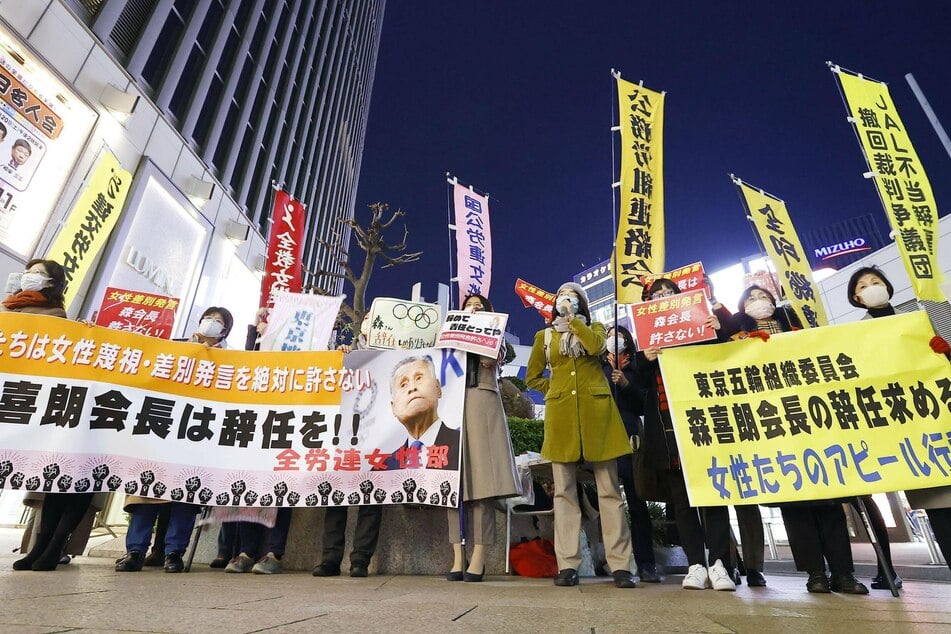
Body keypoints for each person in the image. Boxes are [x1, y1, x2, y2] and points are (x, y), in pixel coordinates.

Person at [733, 286, 868, 594]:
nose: (758, 302)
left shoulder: (799, 329)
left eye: (762, 296)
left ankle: (843, 573)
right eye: (750, 298)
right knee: (795, 505)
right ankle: (815, 572)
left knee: (830, 501)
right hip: (775, 426)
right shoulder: (737, 339)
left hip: (814, 421)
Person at [526, 282, 637, 588]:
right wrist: (555, 392)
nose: (568, 300)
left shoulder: (596, 327)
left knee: (610, 491)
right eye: (563, 296)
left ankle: (620, 566)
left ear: (582, 305)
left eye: (574, 298)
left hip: (598, 414)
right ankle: (568, 564)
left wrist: (573, 320)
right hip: (561, 418)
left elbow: (595, 347)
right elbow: (533, 376)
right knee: (563, 493)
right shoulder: (544, 336)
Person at [633, 278, 736, 591]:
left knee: (714, 493)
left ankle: (720, 565)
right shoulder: (647, 343)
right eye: (656, 295)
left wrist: (719, 326)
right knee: (682, 500)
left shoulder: (702, 328)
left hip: (703, 420)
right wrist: (644, 359)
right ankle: (695, 564)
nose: (663, 297)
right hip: (667, 427)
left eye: (669, 293)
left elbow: (727, 356)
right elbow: (637, 386)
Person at [848, 266, 951, 577]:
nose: (871, 288)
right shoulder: (856, 335)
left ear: (888, 286)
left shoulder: (924, 312)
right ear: (856, 297)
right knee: (940, 508)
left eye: (876, 282)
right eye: (863, 286)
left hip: (944, 410)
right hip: (915, 429)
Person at [116, 307, 233, 573]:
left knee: (185, 496)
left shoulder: (230, 358)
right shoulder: (175, 347)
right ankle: (135, 550)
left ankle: (174, 553)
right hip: (162, 429)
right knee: (146, 491)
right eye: (209, 318)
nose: (212, 324)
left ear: (225, 330)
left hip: (197, 433)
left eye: (219, 322)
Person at [5, 260, 103, 571]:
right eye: (29, 270)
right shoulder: (8, 308)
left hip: (47, 404)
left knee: (64, 477)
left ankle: (52, 546)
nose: (29, 277)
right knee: (53, 479)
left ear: (51, 282)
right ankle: (40, 548)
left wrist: (85, 335)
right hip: (16, 400)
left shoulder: (56, 316)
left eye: (37, 273)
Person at [445, 294, 520, 583]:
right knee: (451, 482)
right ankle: (455, 555)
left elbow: (490, 360)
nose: (473, 309)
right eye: (468, 306)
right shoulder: (449, 333)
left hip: (481, 401)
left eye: (480, 306)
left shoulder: (494, 333)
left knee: (483, 484)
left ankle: (479, 555)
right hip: (451, 403)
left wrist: (478, 330)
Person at [312, 313, 384, 578]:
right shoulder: (347, 352)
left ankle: (360, 559)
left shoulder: (394, 353)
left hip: (379, 433)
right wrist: (341, 357)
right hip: (345, 432)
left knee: (372, 496)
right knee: (336, 495)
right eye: (367, 317)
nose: (371, 321)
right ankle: (330, 558)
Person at [602, 324, 660, 583]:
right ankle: (615, 560)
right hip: (604, 436)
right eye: (609, 336)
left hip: (631, 436)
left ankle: (646, 563)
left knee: (637, 502)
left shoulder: (637, 365)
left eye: (620, 335)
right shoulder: (599, 366)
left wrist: (625, 384)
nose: (615, 339)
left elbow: (644, 402)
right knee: (608, 499)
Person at [382, 355, 460, 470]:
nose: (412, 388)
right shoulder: (383, 469)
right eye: (403, 384)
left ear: (437, 388)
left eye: (419, 378)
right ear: (394, 408)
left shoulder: (464, 444)